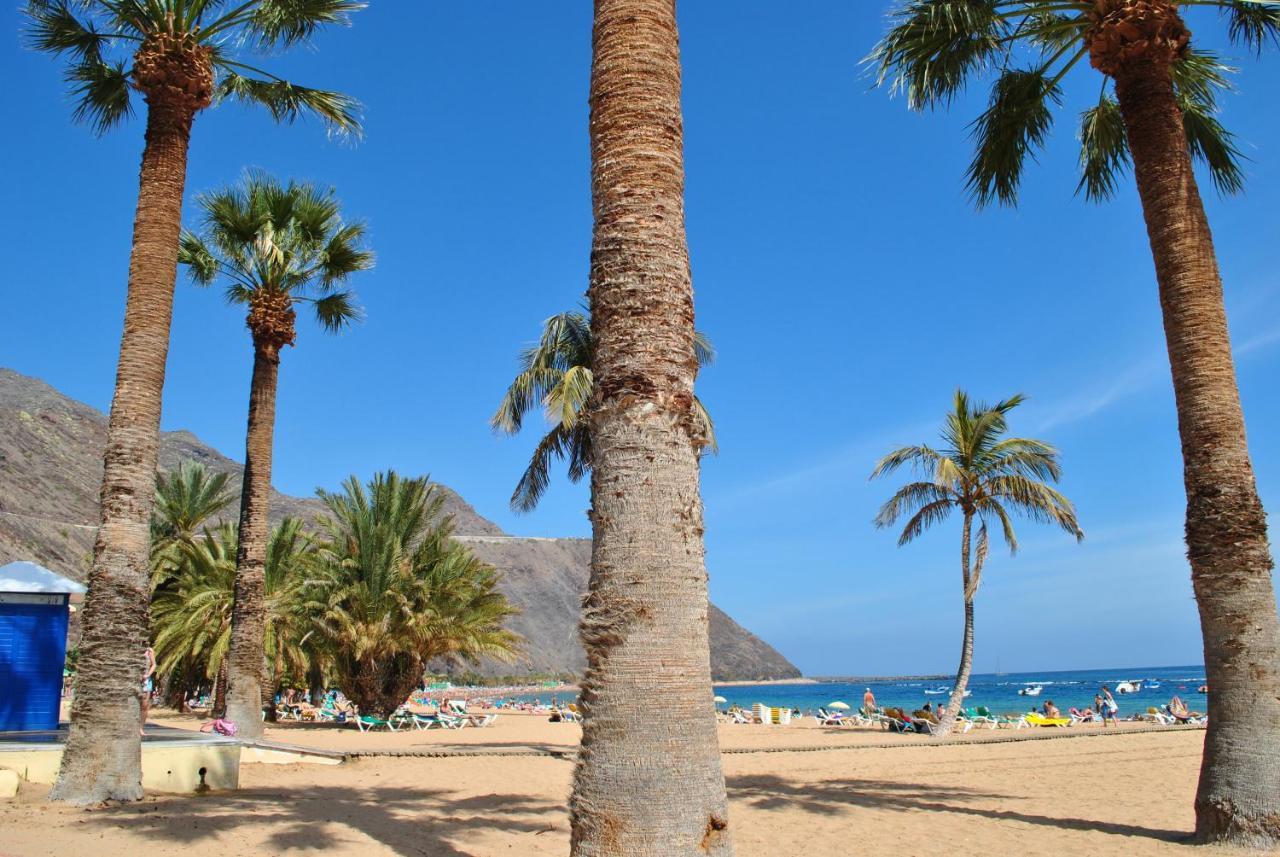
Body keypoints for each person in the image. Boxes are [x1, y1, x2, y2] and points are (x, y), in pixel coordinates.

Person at [140, 645, 156, 734]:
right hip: (134, 680)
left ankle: (141, 727)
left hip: (146, 680)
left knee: (145, 705)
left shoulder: (149, 651)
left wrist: (148, 674)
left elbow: (154, 664)